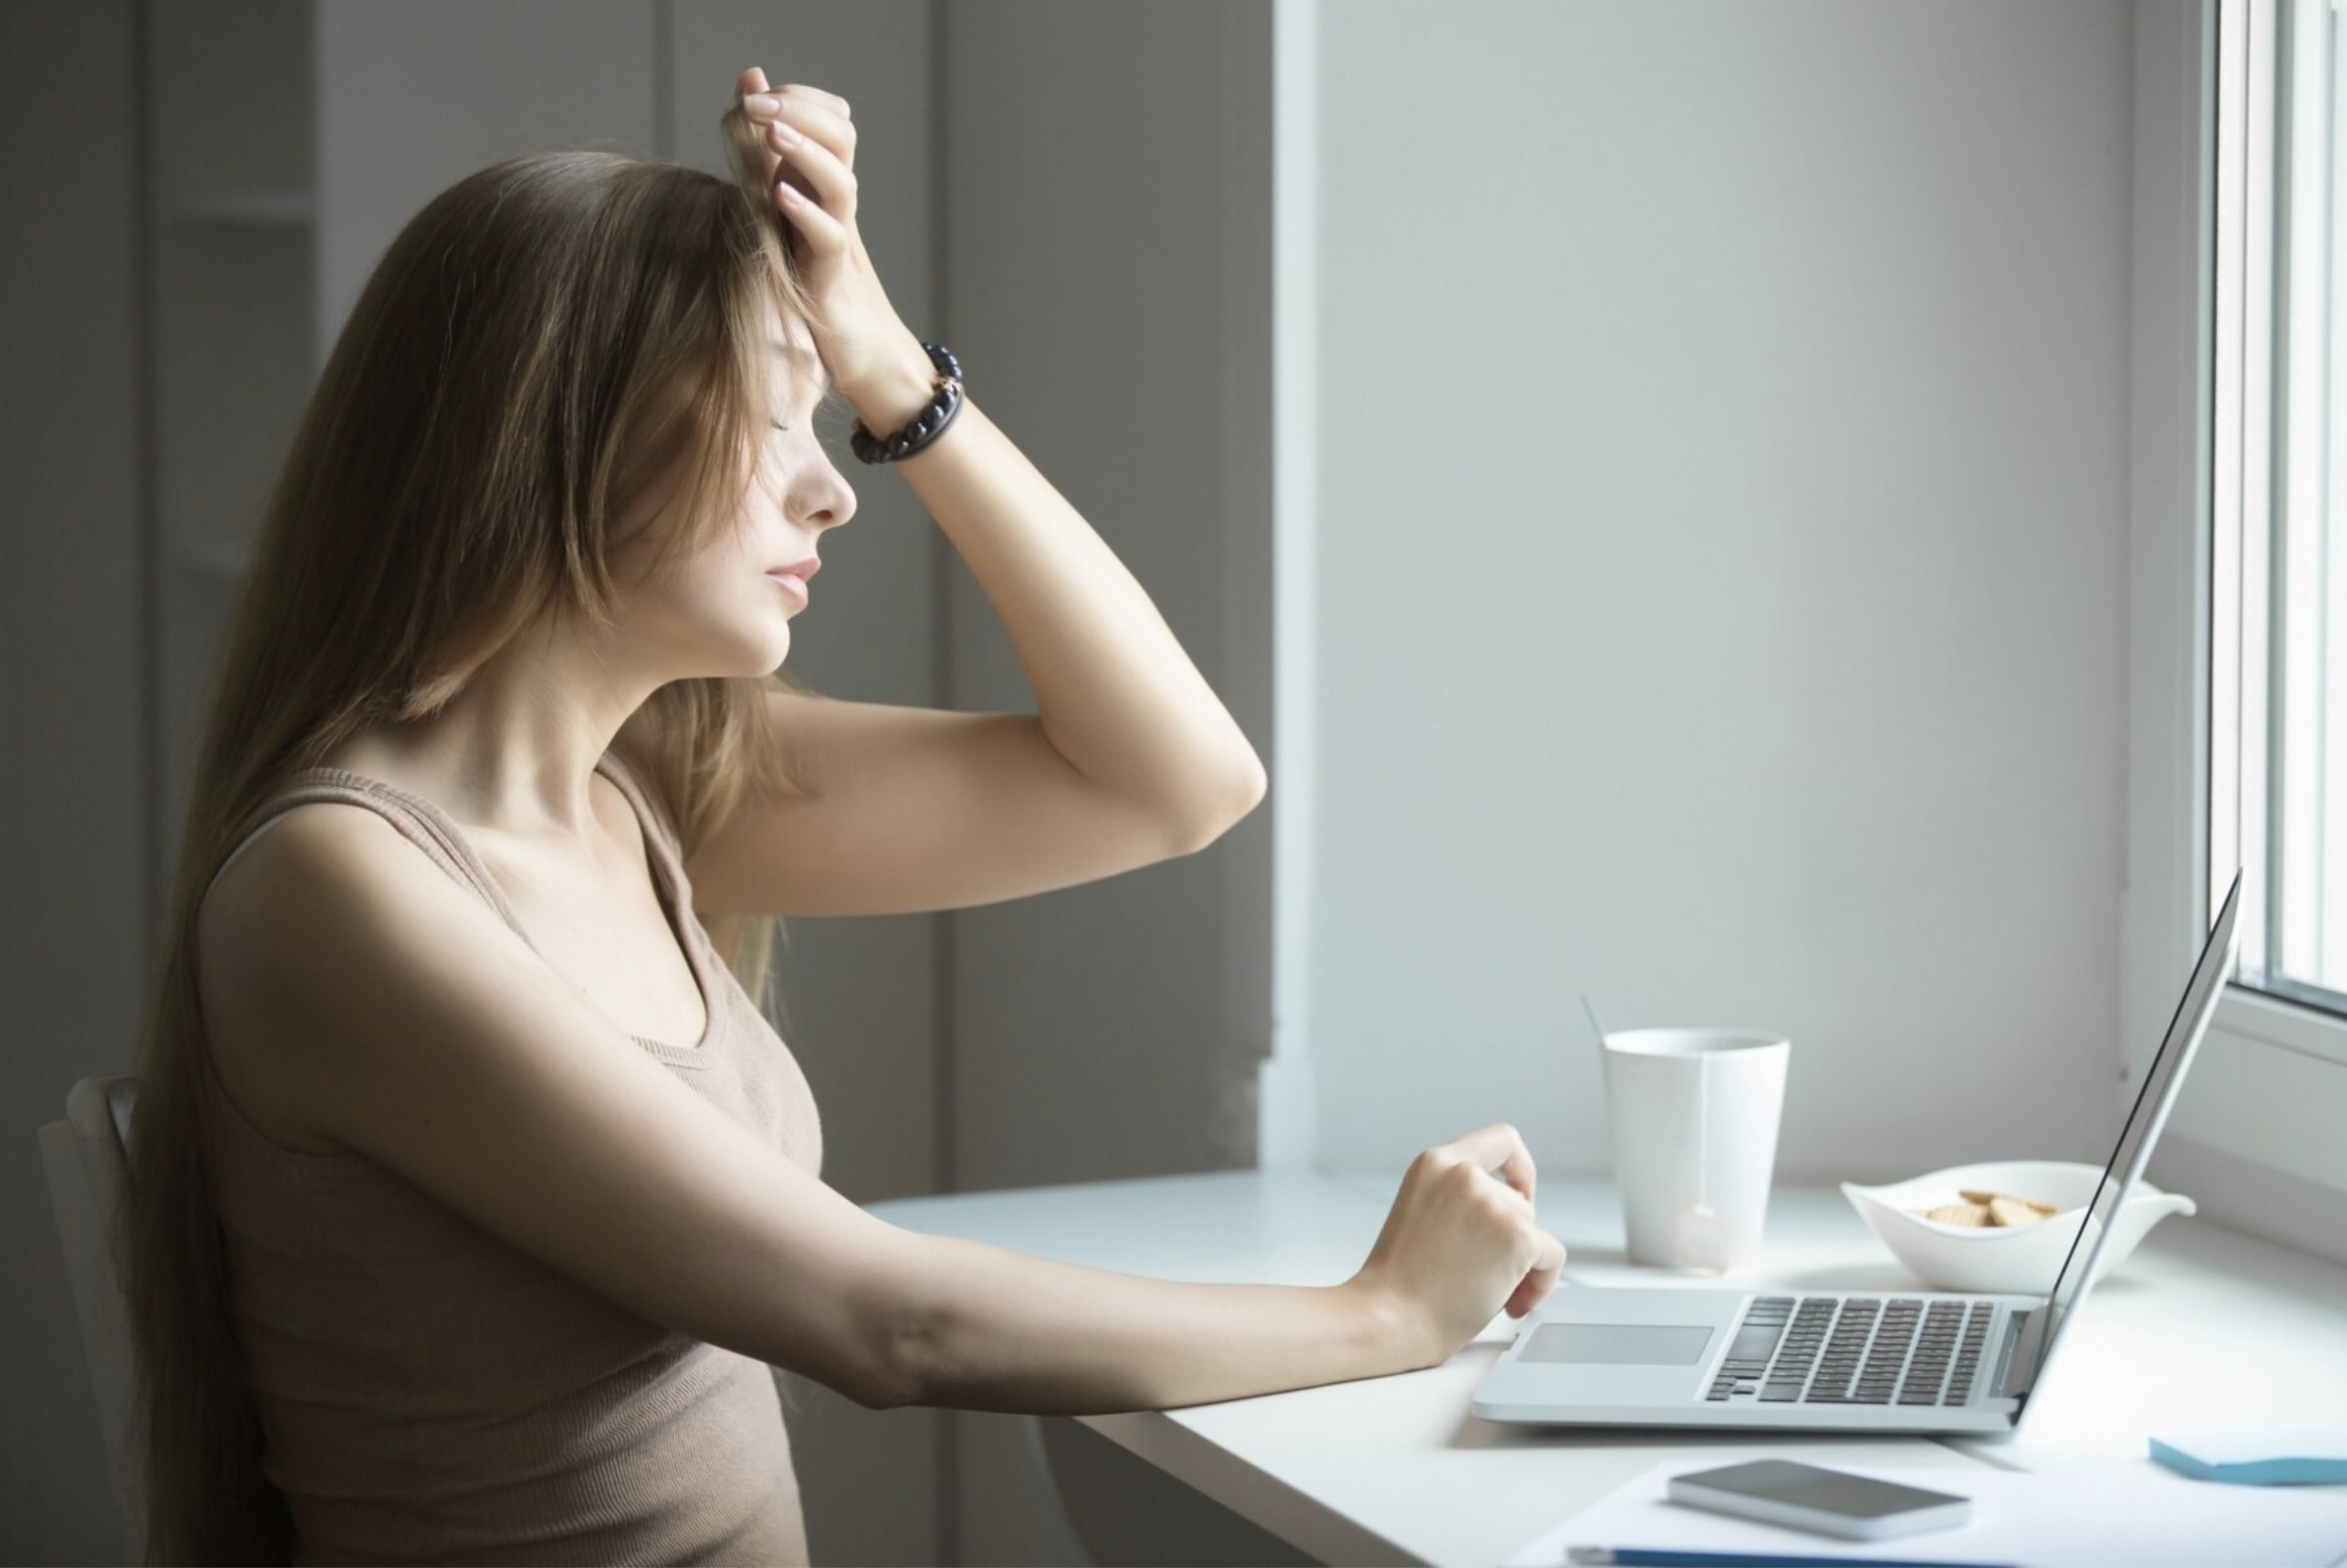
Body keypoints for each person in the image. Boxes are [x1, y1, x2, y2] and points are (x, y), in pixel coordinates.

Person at [120, 67, 1566, 1565]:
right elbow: (888, 1322)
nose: (836, 492)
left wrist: (881, 358)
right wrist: (1380, 1313)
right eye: (770, 414)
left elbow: (1180, 781)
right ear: (564, 440)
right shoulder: (337, 889)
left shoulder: (640, 789)